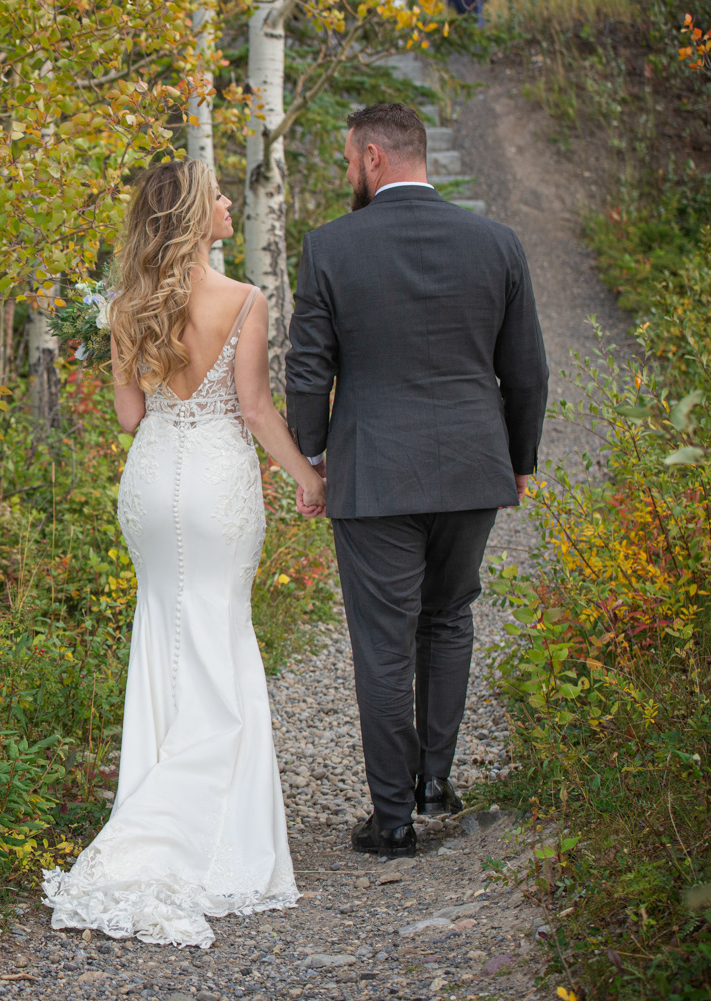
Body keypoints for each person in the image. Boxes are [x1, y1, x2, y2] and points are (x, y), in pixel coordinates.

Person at [40, 158, 327, 948]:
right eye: (220, 195)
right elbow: (258, 408)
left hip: (151, 479)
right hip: (215, 484)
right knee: (220, 635)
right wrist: (308, 475)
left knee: (163, 633)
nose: (232, 202)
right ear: (198, 215)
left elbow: (130, 417)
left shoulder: (129, 305)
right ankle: (208, 831)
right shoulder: (246, 300)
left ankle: (154, 797)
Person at [285, 103, 548, 857]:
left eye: (346, 160)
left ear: (372, 157)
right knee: (449, 615)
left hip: (374, 473)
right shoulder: (497, 243)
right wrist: (519, 460)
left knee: (383, 641)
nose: (347, 173)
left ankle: (394, 818)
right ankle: (436, 779)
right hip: (472, 467)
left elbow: (310, 369)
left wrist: (314, 454)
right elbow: (527, 371)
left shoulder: (330, 247)